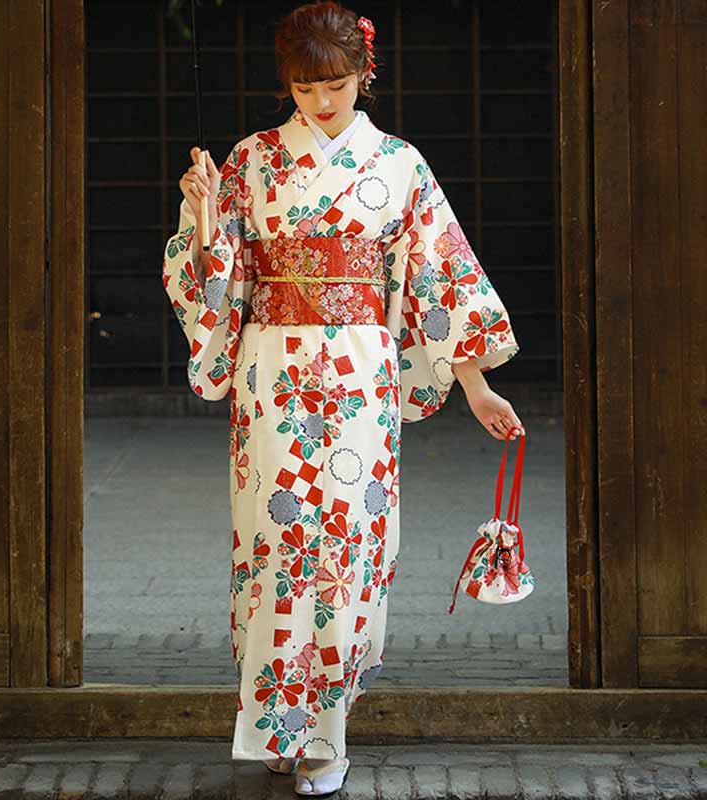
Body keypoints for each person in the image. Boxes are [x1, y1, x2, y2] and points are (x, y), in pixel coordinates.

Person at [163, 1, 525, 794]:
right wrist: (201, 215)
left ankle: (329, 734)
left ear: (365, 73)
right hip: (273, 374)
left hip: (361, 371)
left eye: (334, 85)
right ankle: (277, 727)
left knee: (353, 544)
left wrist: (476, 383)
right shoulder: (252, 159)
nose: (320, 103)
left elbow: (438, 272)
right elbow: (216, 277)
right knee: (279, 541)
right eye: (303, 88)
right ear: (288, 85)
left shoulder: (398, 163)